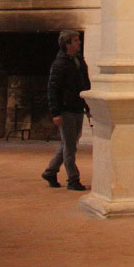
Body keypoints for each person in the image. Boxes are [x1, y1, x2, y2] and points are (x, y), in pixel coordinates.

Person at [42, 29, 91, 191]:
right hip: (66, 109)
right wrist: (55, 112)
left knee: (69, 142)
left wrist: (88, 105)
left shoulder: (79, 61)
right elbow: (52, 89)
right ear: (67, 44)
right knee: (70, 145)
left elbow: (84, 85)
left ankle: (50, 171)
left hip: (77, 107)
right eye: (76, 40)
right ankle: (73, 179)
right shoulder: (59, 64)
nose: (79, 42)